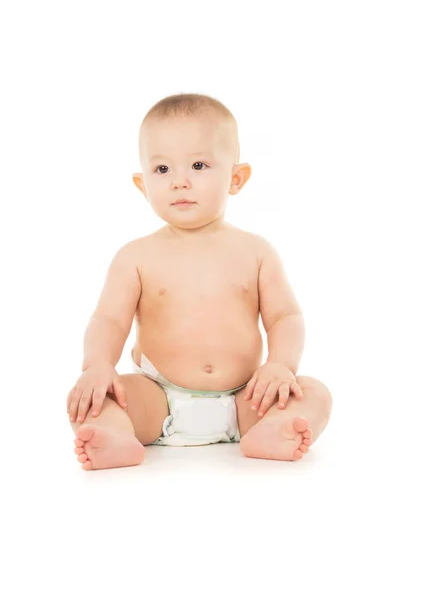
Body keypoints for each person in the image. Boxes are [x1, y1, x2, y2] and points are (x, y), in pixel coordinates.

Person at [67, 93, 333, 471]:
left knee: (315, 393)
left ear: (235, 178)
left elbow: (285, 317)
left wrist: (280, 365)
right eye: (162, 170)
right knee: (90, 399)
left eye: (198, 165)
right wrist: (97, 365)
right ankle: (114, 437)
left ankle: (273, 429)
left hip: (247, 400)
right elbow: (109, 319)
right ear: (143, 185)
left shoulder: (256, 252)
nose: (180, 182)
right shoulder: (136, 256)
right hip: (158, 397)